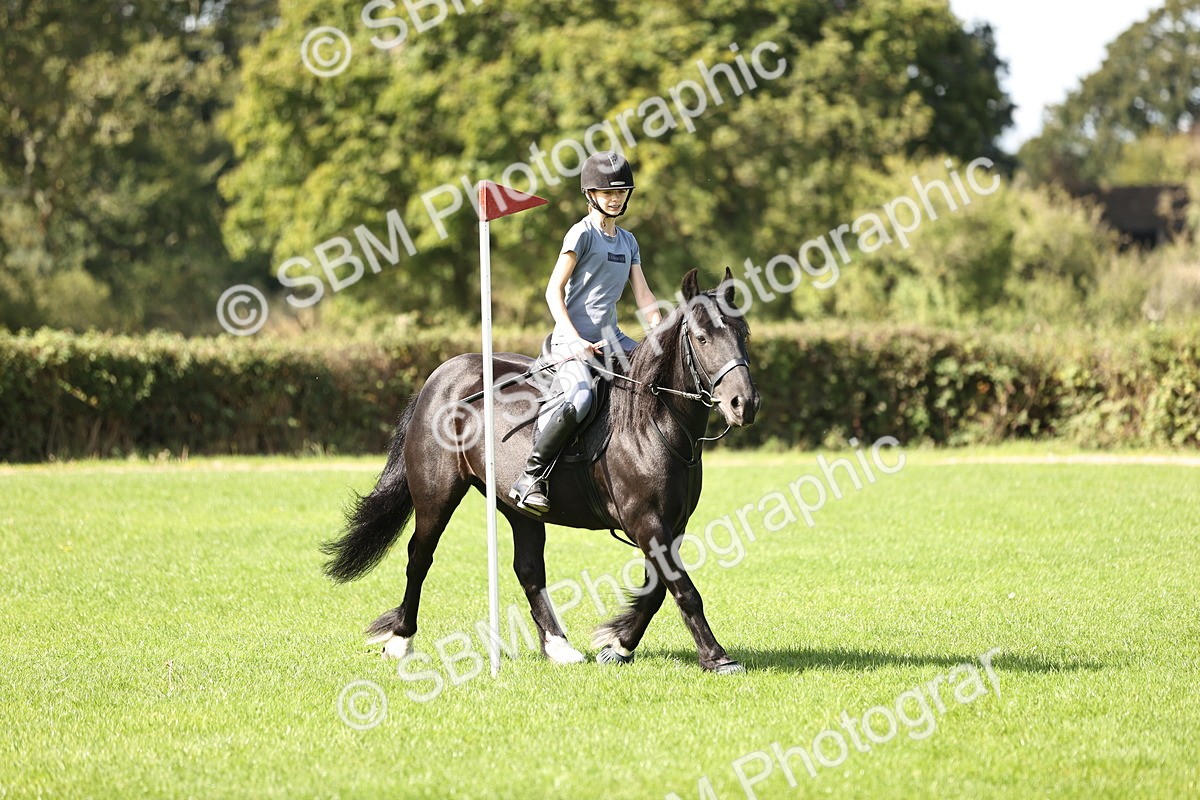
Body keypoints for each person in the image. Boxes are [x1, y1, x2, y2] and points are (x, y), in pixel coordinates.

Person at [509, 151, 662, 515]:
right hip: (570, 340)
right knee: (579, 400)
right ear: (590, 194)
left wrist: (658, 329)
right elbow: (552, 291)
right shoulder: (582, 233)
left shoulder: (629, 242)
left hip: (613, 339)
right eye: (607, 192)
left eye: (622, 191)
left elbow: (643, 295)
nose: (616, 198)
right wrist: (575, 339)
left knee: (657, 379)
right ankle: (530, 477)